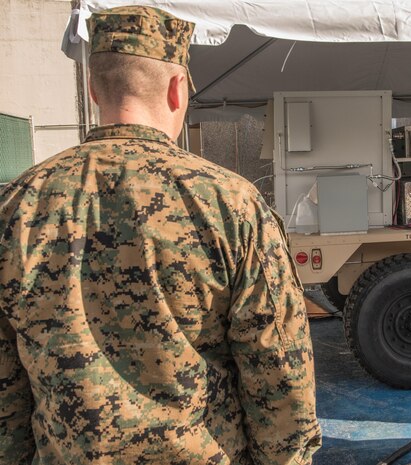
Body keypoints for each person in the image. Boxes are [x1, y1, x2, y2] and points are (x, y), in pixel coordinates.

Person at [0, 6, 321, 465]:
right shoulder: (231, 204)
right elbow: (279, 369)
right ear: (176, 89)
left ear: (93, 89)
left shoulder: (18, 206)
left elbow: (5, 392)